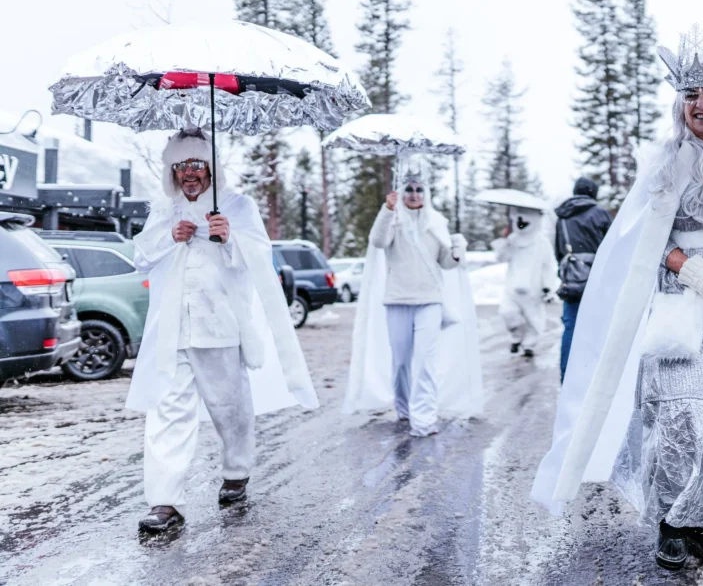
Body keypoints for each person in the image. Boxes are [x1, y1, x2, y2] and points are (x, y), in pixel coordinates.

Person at [531, 31, 703, 572]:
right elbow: (640, 240)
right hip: (684, 302)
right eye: (691, 94)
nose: (701, 103)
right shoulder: (667, 162)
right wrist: (689, 267)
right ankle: (670, 520)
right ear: (681, 104)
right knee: (682, 412)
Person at [130, 130, 319, 533]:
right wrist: (170, 236)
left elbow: (259, 256)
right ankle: (165, 502)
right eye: (181, 166)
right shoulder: (164, 210)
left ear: (210, 167)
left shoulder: (238, 205)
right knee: (167, 411)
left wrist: (229, 238)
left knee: (229, 408)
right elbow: (141, 257)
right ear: (173, 171)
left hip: (220, 326)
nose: (189, 174)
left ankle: (236, 472)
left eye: (197, 164)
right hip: (172, 328)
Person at [344, 170, 483, 435]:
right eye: (409, 189)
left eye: (419, 190)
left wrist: (457, 250)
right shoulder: (393, 219)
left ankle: (425, 418)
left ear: (426, 194)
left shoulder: (435, 222)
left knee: (425, 360)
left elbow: (445, 262)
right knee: (401, 362)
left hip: (430, 301)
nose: (414, 194)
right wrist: (387, 209)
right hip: (397, 300)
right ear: (402, 193)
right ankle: (404, 409)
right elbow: (377, 241)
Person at [554, 178, 612, 381]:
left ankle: (566, 375)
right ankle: (595, 376)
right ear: (593, 193)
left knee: (571, 326)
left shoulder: (562, 215)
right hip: (598, 277)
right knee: (600, 325)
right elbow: (612, 247)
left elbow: (559, 250)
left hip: (572, 279)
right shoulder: (600, 213)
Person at [493, 207, 559, 360]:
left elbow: (548, 266)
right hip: (512, 288)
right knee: (508, 313)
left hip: (534, 289)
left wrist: (548, 286)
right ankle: (516, 338)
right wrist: (504, 241)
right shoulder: (512, 239)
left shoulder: (542, 242)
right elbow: (501, 258)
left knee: (534, 320)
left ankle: (529, 345)